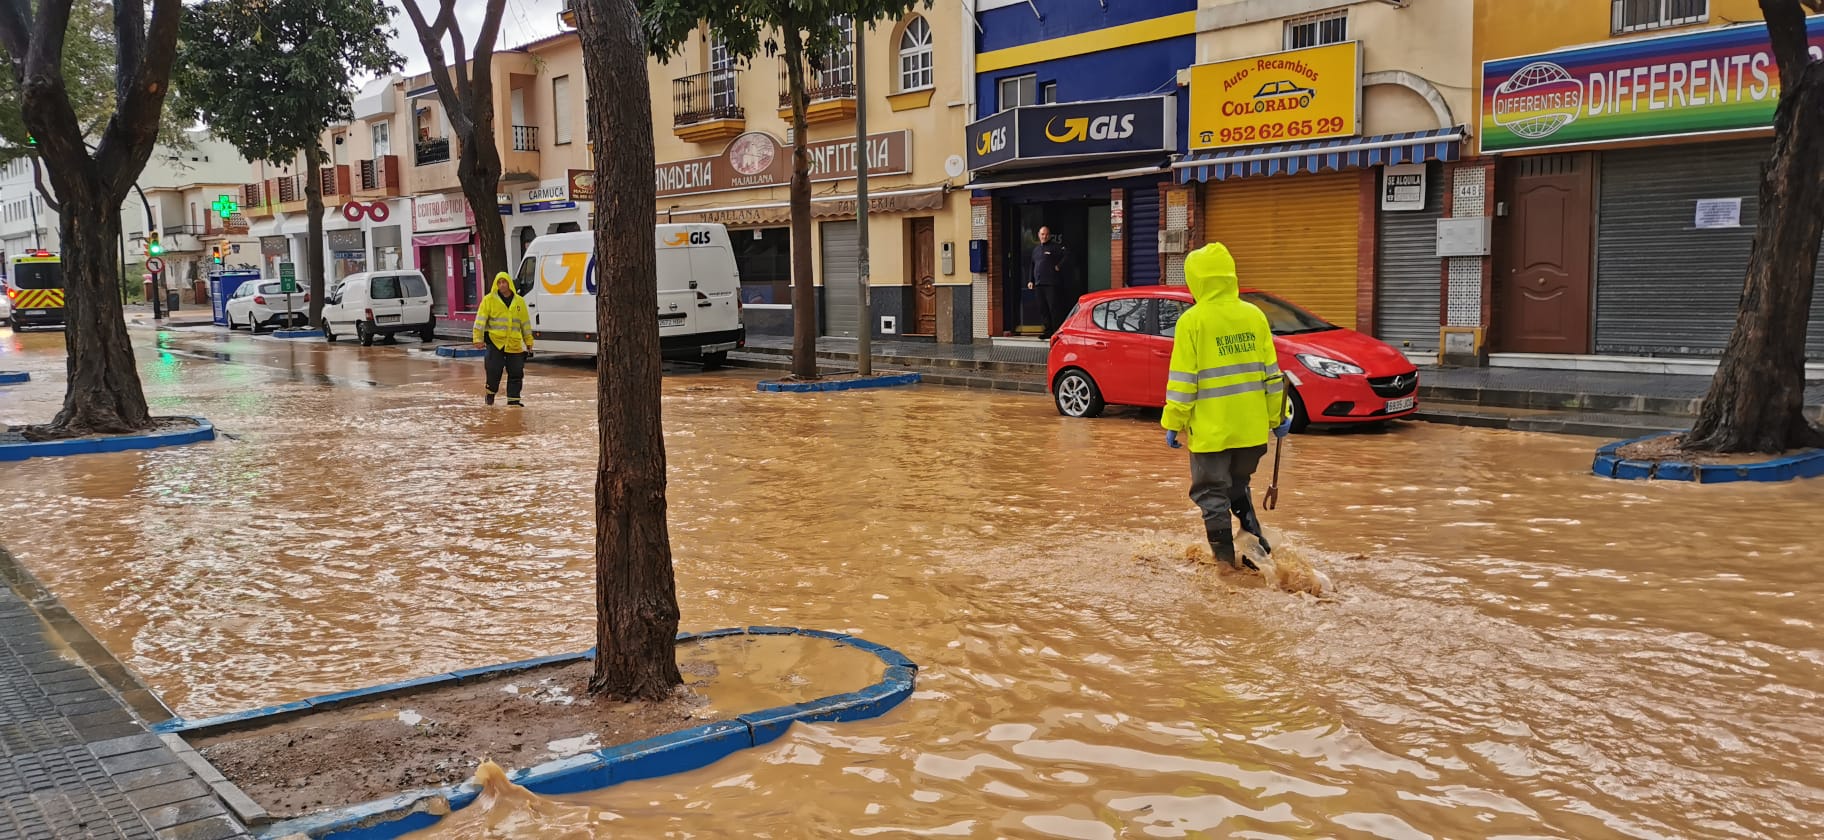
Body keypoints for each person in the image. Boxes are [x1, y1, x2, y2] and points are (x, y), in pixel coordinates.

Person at [1161, 243, 1291, 570]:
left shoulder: (1192, 322)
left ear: (1197, 280)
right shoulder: (1254, 316)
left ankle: (1225, 567)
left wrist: (1173, 423)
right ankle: (1257, 551)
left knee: (1211, 496)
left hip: (1212, 433)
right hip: (1251, 433)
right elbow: (1272, 377)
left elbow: (1182, 383)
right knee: (1237, 486)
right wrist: (1280, 417)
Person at [474, 271, 534, 407]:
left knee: (516, 372)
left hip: (513, 343)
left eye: (504, 282)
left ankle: (514, 401)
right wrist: (478, 339)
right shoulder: (488, 300)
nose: (502, 285)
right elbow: (480, 321)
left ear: (509, 284)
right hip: (495, 342)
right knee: (493, 371)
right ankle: (490, 395)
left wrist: (528, 341)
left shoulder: (519, 301)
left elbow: (525, 323)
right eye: (499, 283)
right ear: (496, 284)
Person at [1027, 226, 1069, 338]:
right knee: (1043, 309)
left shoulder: (1055, 247)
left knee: (1053, 308)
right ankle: (1048, 331)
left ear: (1049, 235)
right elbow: (1032, 265)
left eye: (1046, 234)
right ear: (1038, 235)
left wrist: (1058, 266)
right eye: (1042, 234)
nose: (1044, 236)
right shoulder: (1036, 250)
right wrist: (1030, 280)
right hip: (1039, 283)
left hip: (1051, 283)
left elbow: (1066, 256)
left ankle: (1056, 332)